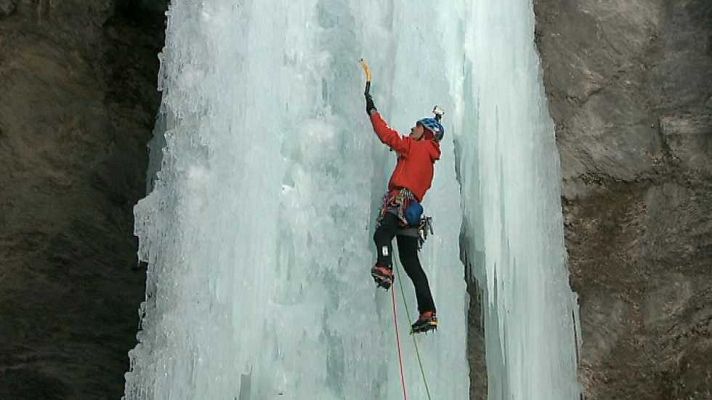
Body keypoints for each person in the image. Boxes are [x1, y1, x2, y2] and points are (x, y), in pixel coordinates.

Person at [365, 91, 444, 334]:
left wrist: (372, 111)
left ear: (426, 133)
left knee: (382, 236)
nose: (411, 129)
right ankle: (427, 311)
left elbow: (387, 136)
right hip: (412, 213)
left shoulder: (415, 147)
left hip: (399, 202)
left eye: (416, 128)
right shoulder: (429, 161)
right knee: (411, 263)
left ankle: (385, 265)